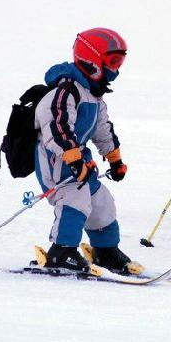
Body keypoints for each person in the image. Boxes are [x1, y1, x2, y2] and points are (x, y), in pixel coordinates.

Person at [34, 28, 141, 273]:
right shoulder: (65, 91)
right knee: (75, 199)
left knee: (101, 200)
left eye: (120, 62)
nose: (116, 69)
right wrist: (73, 159)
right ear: (91, 60)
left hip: (79, 159)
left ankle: (105, 250)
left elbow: (102, 129)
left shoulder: (94, 94)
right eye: (113, 61)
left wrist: (115, 159)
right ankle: (61, 251)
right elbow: (58, 129)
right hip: (55, 159)